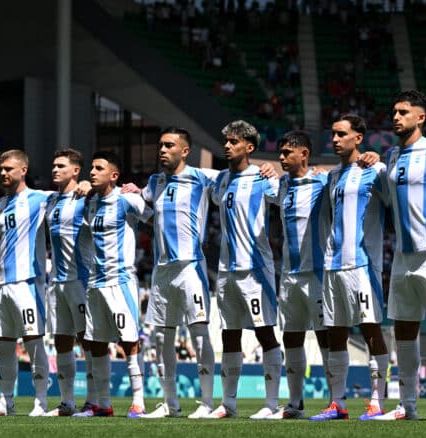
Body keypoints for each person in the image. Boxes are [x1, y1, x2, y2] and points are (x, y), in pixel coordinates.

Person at [368, 90, 426, 422]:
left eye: (403, 112)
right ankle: (406, 404)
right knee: (403, 329)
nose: (396, 117)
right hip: (402, 257)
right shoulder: (392, 156)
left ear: (420, 117)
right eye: (394, 111)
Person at [129, 127, 219, 419]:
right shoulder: (155, 182)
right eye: (161, 145)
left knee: (200, 335)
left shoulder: (202, 177)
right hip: (162, 270)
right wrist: (129, 190)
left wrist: (265, 168)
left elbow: (238, 175)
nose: (162, 150)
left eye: (169, 145)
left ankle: (206, 403)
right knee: (161, 338)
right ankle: (170, 403)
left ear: (185, 150)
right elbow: (144, 205)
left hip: (191, 266)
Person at [309, 115, 389, 421]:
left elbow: (398, 196)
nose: (335, 139)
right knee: (336, 333)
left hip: (362, 264)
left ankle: (377, 402)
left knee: (370, 330)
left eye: (342, 134)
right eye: (333, 133)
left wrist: (382, 159)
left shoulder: (375, 170)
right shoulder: (332, 177)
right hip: (333, 265)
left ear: (359, 138)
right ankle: (338, 403)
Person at [206, 120, 282, 419]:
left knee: (265, 332)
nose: (227, 146)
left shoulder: (263, 177)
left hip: (256, 268)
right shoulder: (221, 180)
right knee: (229, 334)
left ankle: (272, 403)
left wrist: (274, 169)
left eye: (234, 142)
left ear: (249, 147)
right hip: (226, 269)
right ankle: (228, 403)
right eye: (225, 141)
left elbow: (284, 193)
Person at [73, 151, 152, 418]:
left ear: (114, 175)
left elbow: (154, 216)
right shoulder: (90, 203)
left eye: (98, 168)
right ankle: (102, 404)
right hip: (95, 282)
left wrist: (142, 193)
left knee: (129, 342)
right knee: (95, 342)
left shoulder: (126, 200)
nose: (92, 172)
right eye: (91, 168)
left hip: (121, 281)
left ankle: (139, 401)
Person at [0, 150, 52, 417]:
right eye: (1, 169)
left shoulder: (41, 199)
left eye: (8, 169)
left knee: (33, 341)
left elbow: (70, 194)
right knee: (5, 344)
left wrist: (84, 186)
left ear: (23, 170)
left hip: (27, 283)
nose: (3, 173)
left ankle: (41, 401)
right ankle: (5, 402)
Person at [270, 130, 330, 419]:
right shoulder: (281, 185)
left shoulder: (323, 181)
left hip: (317, 275)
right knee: (291, 337)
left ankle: (337, 401)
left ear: (304, 154)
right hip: (289, 276)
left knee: (325, 337)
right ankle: (296, 403)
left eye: (286, 153)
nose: (281, 158)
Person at [43, 148, 96, 416]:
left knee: (88, 341)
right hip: (56, 283)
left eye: (61, 166)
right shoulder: (50, 200)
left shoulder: (86, 198)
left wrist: (90, 185)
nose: (55, 169)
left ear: (76, 170)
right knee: (61, 340)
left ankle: (93, 401)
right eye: (53, 165)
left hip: (80, 280)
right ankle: (67, 402)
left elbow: (111, 192)